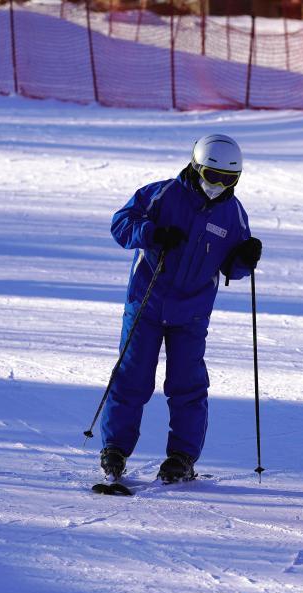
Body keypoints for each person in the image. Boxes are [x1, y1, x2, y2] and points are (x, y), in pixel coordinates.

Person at [99, 134, 262, 483]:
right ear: (195, 166)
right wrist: (152, 233)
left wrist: (245, 259)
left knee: (187, 385)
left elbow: (233, 267)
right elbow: (120, 224)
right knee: (132, 377)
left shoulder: (234, 214)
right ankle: (115, 447)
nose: (217, 185)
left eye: (227, 179)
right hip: (146, 302)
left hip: (192, 313)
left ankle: (182, 457)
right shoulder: (161, 194)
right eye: (211, 175)